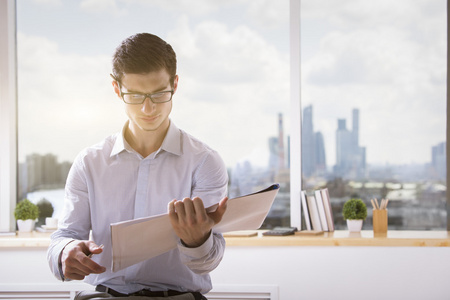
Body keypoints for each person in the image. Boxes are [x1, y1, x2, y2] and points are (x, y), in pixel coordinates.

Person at [47, 33, 229, 300]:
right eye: (134, 95)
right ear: (117, 89)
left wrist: (197, 241)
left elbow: (207, 264)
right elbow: (64, 236)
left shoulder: (205, 162)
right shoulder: (89, 162)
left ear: (175, 84)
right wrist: (66, 252)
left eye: (159, 94)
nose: (148, 108)